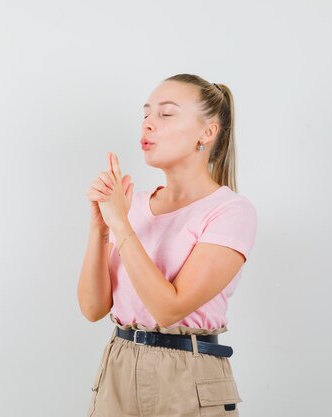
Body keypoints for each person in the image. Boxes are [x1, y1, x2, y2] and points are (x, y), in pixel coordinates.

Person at [77, 73, 258, 417]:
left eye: (166, 113)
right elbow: (92, 308)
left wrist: (120, 222)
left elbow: (169, 308)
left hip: (189, 377)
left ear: (207, 133)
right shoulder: (133, 206)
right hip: (118, 366)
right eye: (145, 114)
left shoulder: (231, 211)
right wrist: (100, 226)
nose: (148, 124)